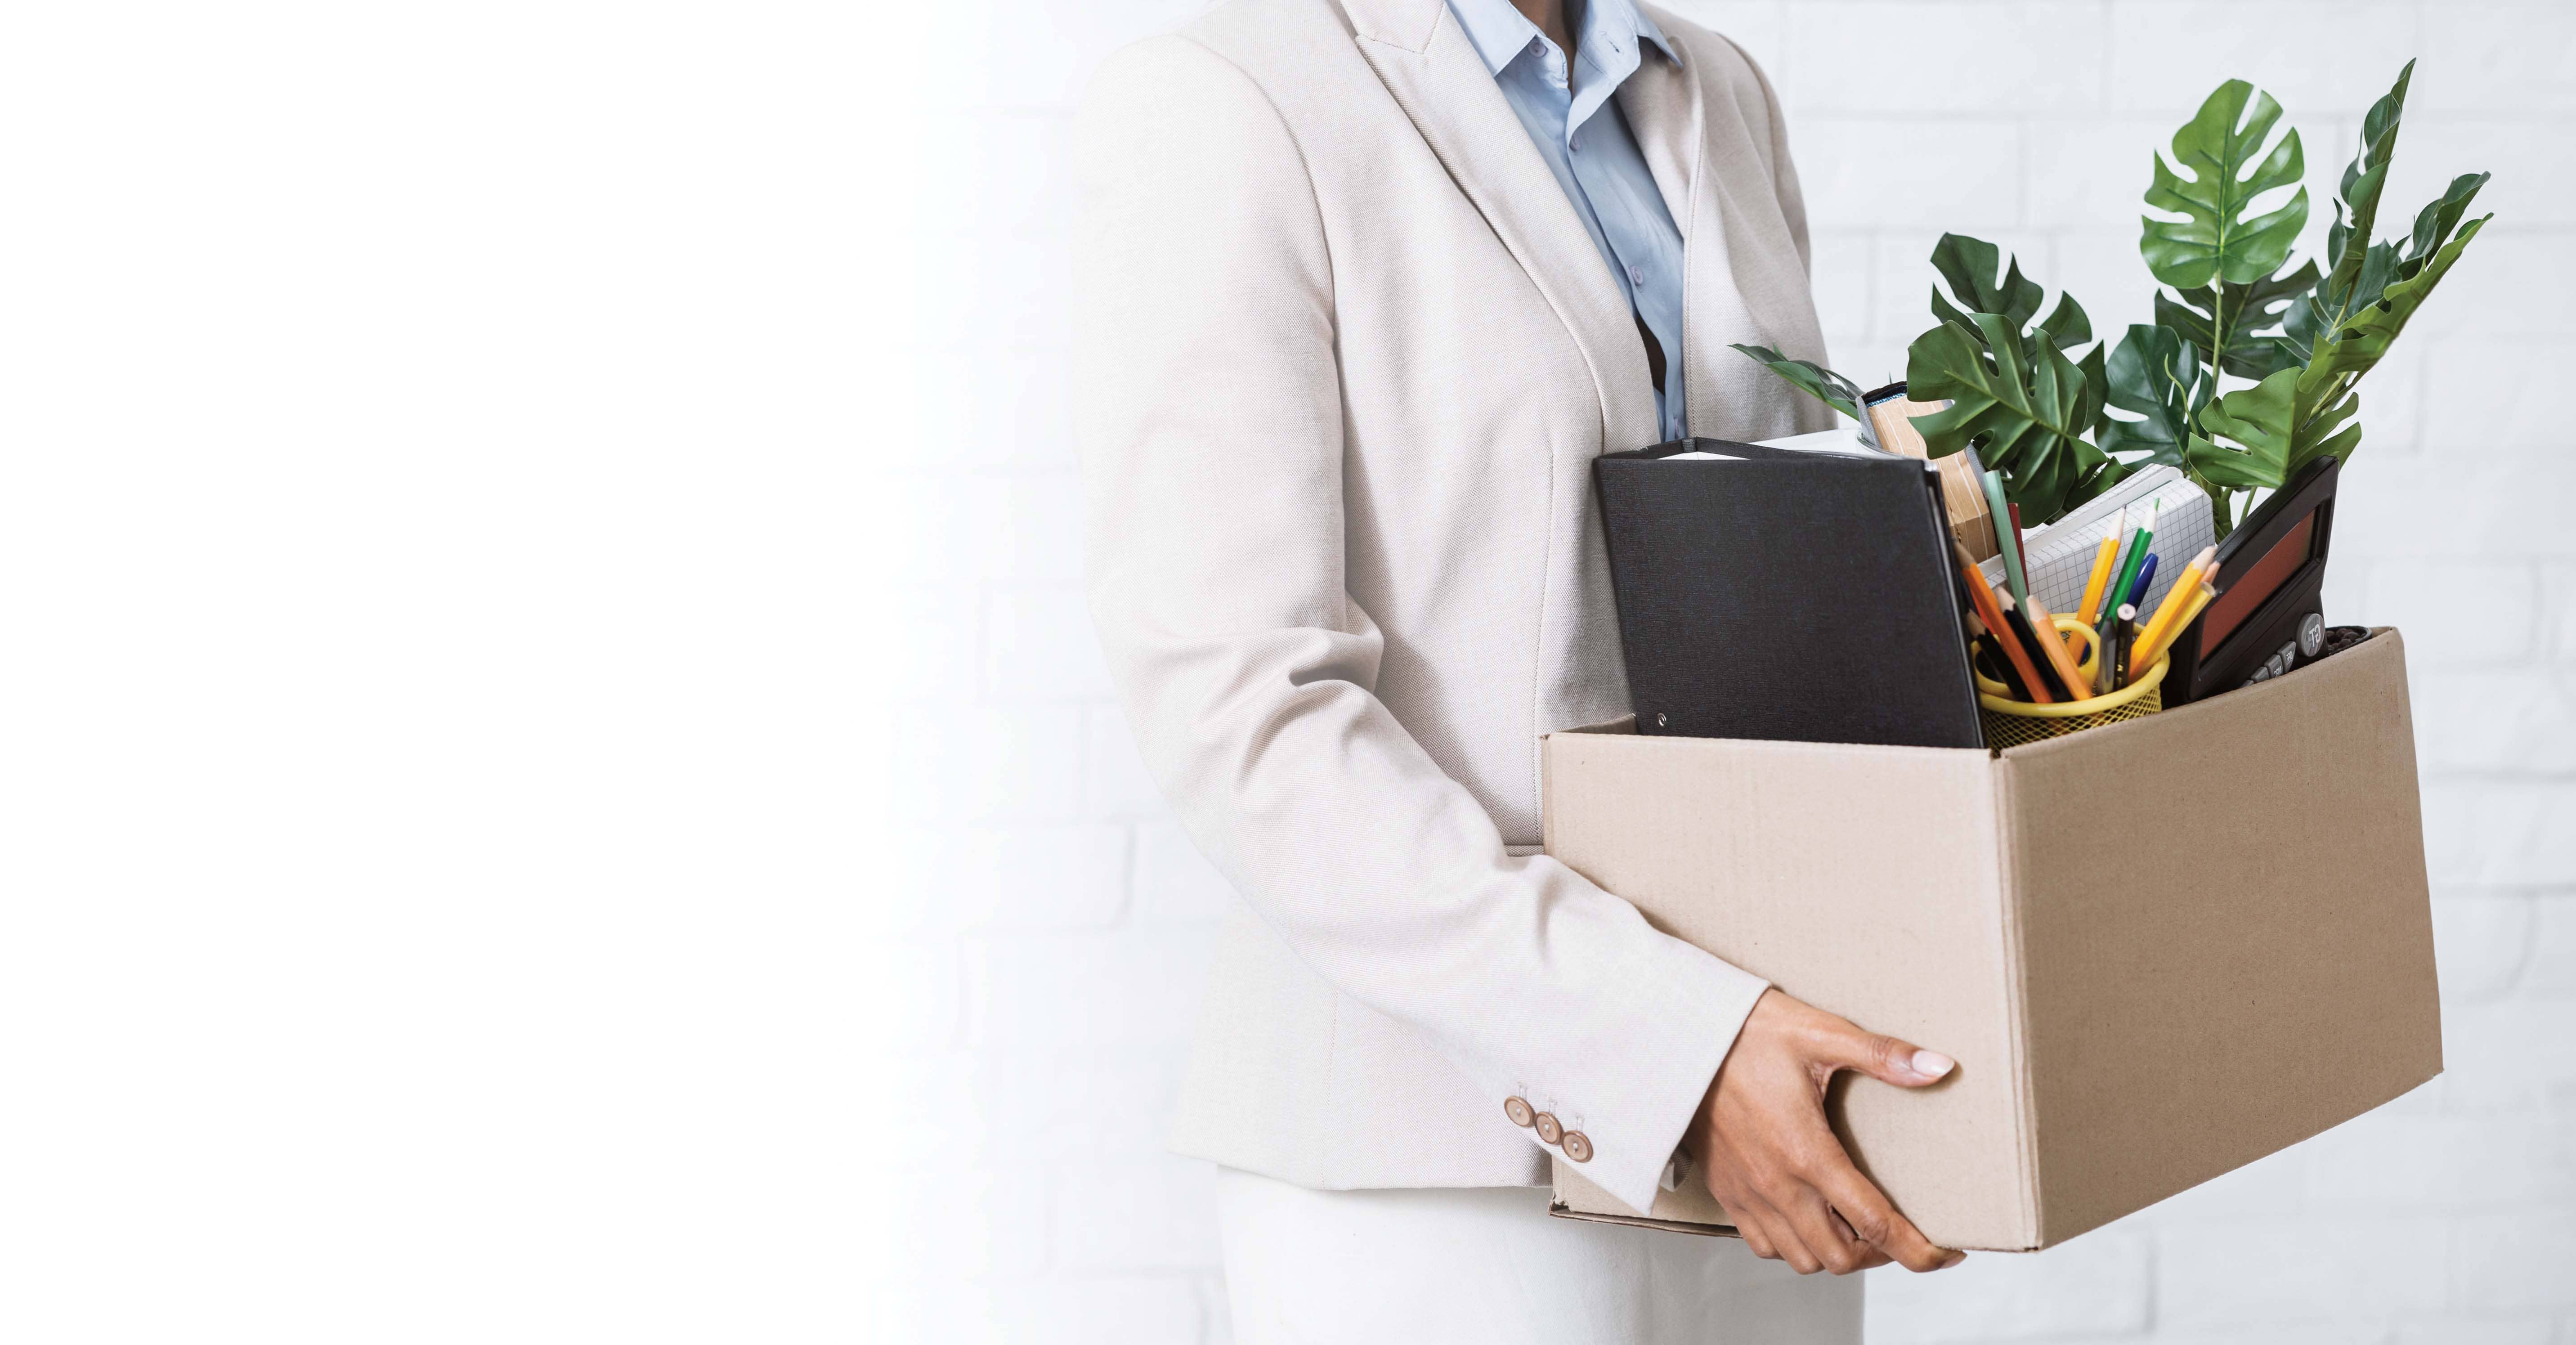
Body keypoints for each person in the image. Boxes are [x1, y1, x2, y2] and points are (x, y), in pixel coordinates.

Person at [1073, 0, 1964, 1339]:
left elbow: (1762, 577)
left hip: (1772, 1117)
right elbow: (1245, 710)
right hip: (1434, 1166)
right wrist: (1673, 1043)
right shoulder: (1225, 95)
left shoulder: (1714, 91)